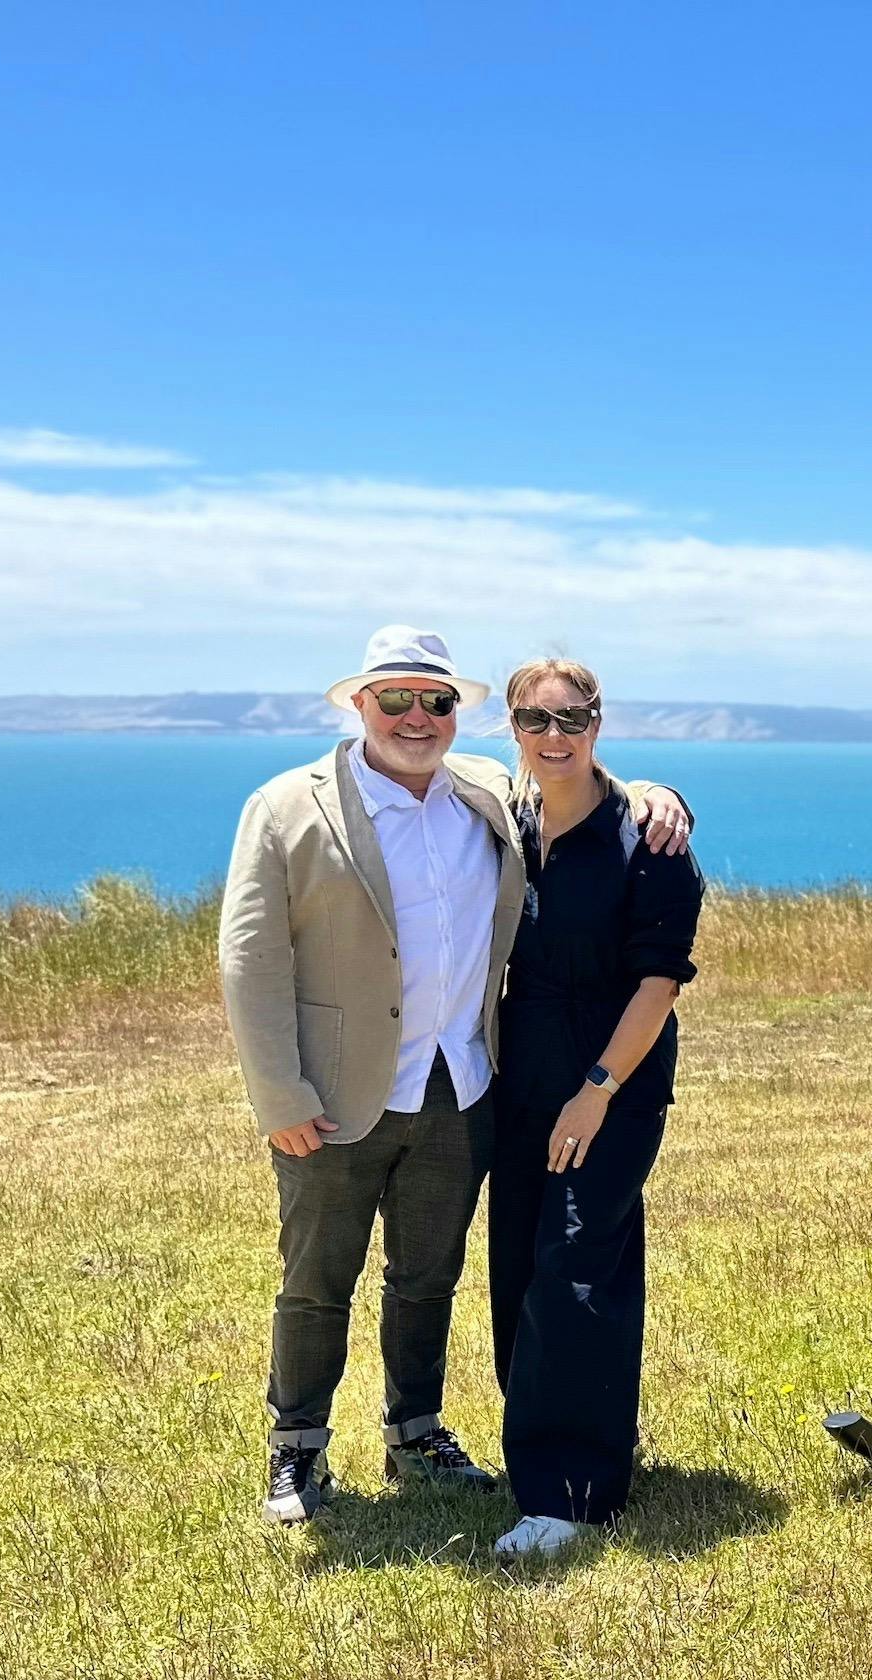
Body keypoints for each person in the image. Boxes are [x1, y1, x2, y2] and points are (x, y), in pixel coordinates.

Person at [219, 626, 693, 1525]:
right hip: (332, 1096)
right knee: (317, 1278)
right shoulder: (288, 807)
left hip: (462, 1085)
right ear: (358, 705)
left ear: (458, 716)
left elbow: (580, 785)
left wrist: (659, 794)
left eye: (435, 701)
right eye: (394, 698)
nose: (416, 716)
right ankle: (297, 1448)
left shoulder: (482, 791)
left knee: (427, 1274)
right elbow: (250, 961)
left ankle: (417, 1432)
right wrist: (279, 1095)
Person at [485, 657, 703, 1562]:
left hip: (609, 1086)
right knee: (517, 1269)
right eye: (536, 721)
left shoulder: (648, 840)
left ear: (598, 723)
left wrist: (596, 1094)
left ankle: (567, 1495)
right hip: (519, 1083)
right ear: (513, 728)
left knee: (577, 1267)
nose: (554, 737)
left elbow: (658, 986)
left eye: (571, 719)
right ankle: (560, 1449)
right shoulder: (508, 818)